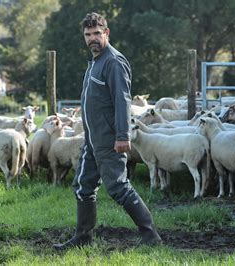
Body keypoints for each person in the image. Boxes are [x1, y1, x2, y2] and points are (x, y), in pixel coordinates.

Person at [53, 12, 162, 251]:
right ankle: (83, 237)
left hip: (110, 139)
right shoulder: (95, 62)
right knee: (83, 186)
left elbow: (122, 100)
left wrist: (122, 136)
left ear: (106, 33)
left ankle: (150, 236)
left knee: (119, 187)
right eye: (87, 34)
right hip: (92, 139)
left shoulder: (113, 62)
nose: (92, 38)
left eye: (96, 33)